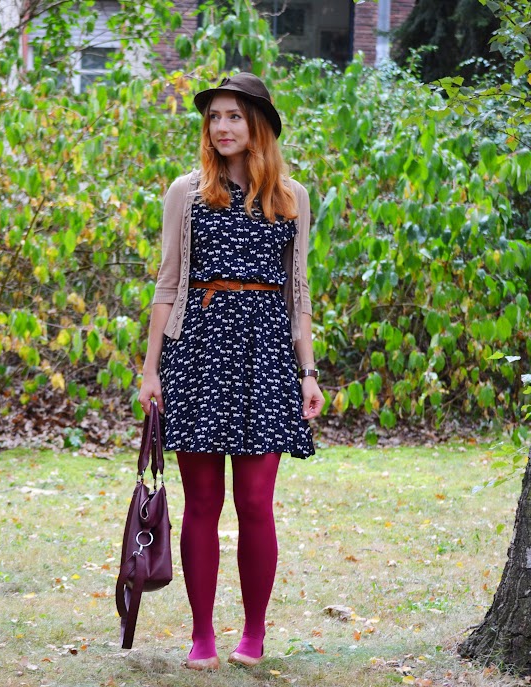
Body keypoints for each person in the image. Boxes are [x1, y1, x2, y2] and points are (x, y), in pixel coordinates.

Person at [138, 73, 325, 671]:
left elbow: (300, 292)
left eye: (234, 117)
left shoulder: (291, 197)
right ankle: (201, 636)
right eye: (214, 117)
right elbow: (168, 282)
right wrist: (150, 371)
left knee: (255, 501)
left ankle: (254, 632)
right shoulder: (185, 193)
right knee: (201, 502)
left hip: (268, 357)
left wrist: (309, 371)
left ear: (259, 126)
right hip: (197, 353)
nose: (221, 127)